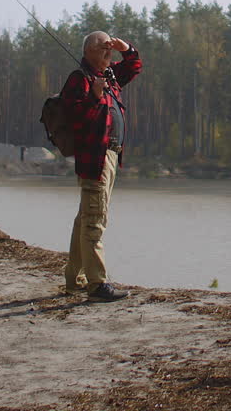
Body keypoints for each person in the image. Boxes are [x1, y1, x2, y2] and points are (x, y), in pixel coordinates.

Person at [60, 30, 142, 300]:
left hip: (110, 155)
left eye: (110, 48)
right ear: (88, 52)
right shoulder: (79, 79)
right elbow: (73, 118)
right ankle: (97, 285)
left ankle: (75, 279)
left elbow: (134, 66)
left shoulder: (111, 75)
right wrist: (94, 95)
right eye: (103, 48)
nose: (109, 52)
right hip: (94, 158)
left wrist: (125, 47)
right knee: (95, 220)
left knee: (85, 218)